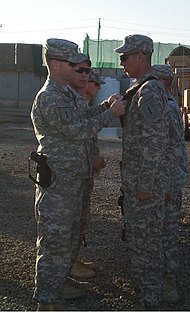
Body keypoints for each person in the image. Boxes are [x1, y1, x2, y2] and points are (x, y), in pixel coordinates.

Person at [30, 38, 126, 311]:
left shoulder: (67, 93)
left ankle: (59, 283)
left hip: (74, 179)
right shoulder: (49, 97)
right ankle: (47, 301)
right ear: (56, 64)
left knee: (71, 236)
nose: (79, 70)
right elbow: (79, 131)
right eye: (73, 64)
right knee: (54, 243)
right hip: (59, 183)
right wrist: (111, 115)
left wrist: (105, 106)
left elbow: (83, 118)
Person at [114, 34, 170, 310]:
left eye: (125, 57)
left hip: (144, 187)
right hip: (137, 182)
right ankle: (146, 294)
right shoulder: (139, 88)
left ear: (140, 57)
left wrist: (145, 183)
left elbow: (155, 142)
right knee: (138, 240)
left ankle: (150, 300)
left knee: (146, 245)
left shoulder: (149, 92)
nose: (121, 61)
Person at [152, 64, 188, 302]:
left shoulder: (166, 106)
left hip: (168, 179)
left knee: (167, 231)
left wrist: (165, 185)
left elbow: (169, 149)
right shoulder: (166, 103)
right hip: (166, 177)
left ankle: (169, 281)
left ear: (161, 82)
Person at [69, 68, 107, 280]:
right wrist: (91, 159)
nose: (99, 87)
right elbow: (78, 136)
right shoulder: (75, 103)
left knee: (81, 219)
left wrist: (106, 106)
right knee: (73, 221)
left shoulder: (82, 104)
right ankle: (69, 264)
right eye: (96, 83)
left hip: (85, 172)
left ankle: (73, 259)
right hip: (76, 172)